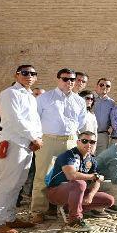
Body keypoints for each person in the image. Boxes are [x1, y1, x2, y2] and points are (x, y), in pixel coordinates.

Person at [0, 65, 43, 233]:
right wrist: (34, 138)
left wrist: (36, 138)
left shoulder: (30, 96)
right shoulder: (9, 93)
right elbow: (14, 119)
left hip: (25, 144)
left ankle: (10, 218)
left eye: (33, 74)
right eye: (25, 73)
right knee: (6, 184)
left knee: (17, 184)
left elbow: (34, 121)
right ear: (17, 75)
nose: (29, 76)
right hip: (12, 142)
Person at [32, 68, 87, 224]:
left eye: (72, 79)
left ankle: (67, 208)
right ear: (58, 79)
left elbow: (81, 122)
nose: (69, 82)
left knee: (70, 176)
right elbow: (35, 119)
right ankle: (38, 210)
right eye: (65, 79)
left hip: (71, 140)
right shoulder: (44, 98)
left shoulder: (79, 101)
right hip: (49, 139)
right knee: (43, 175)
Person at [45, 131, 113, 232]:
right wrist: (93, 176)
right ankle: (74, 220)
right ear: (78, 142)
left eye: (92, 142)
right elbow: (71, 175)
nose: (88, 144)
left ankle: (70, 208)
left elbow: (97, 180)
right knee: (79, 183)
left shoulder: (92, 159)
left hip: (77, 192)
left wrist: (90, 196)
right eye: (85, 141)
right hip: (56, 192)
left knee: (108, 200)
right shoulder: (68, 156)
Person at [93, 78, 115, 154]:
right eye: (102, 84)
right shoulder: (89, 98)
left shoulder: (111, 102)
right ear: (96, 86)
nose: (104, 87)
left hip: (103, 135)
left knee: (101, 158)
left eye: (107, 86)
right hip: (89, 133)